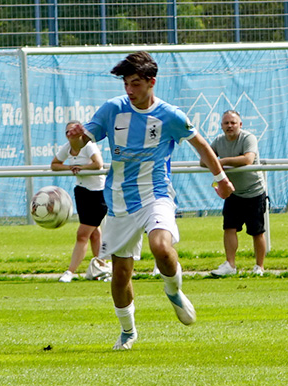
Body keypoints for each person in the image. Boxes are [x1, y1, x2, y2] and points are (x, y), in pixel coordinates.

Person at [66, 51, 234, 350]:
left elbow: (202, 145)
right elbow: (81, 145)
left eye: (135, 84)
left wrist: (221, 179)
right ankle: (128, 331)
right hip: (118, 201)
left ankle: (173, 290)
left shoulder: (170, 115)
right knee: (120, 274)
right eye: (126, 84)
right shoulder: (112, 109)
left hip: (156, 194)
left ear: (151, 82)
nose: (129, 91)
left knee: (160, 246)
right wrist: (75, 137)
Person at [207, 110, 267, 276]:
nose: (229, 126)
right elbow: (204, 159)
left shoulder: (248, 138)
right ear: (221, 126)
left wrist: (221, 162)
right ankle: (230, 266)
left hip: (254, 192)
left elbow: (248, 159)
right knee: (229, 228)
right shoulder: (218, 141)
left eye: (233, 123)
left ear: (240, 125)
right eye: (226, 123)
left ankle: (259, 267)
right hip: (233, 193)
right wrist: (214, 162)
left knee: (257, 231)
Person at [51, 120, 111, 283]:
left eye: (73, 131)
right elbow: (55, 165)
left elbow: (98, 164)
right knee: (94, 234)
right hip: (82, 192)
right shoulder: (67, 148)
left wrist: (81, 168)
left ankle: (70, 272)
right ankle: (101, 268)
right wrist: (70, 168)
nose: (70, 134)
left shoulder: (88, 145)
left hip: (98, 194)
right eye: (67, 132)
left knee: (82, 233)